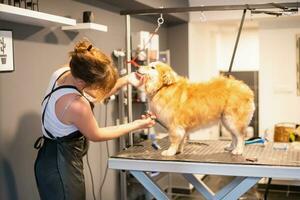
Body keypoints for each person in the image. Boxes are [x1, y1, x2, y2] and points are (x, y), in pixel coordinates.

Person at [34, 39, 155, 200]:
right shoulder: (77, 105)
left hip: (48, 159)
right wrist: (137, 124)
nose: (99, 90)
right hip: (62, 168)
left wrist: (126, 79)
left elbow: (95, 94)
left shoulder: (63, 72)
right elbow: (96, 134)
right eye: (97, 85)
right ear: (82, 82)